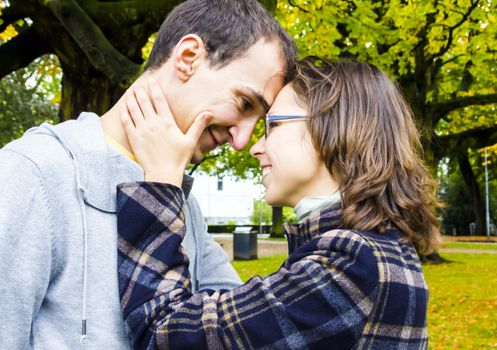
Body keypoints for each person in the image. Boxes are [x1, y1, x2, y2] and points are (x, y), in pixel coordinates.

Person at [0, 0, 297, 348]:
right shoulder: (32, 174)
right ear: (188, 57)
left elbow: (235, 332)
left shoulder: (183, 202)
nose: (241, 141)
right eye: (245, 104)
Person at [116, 57, 442, 349]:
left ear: (330, 128)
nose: (254, 147)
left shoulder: (351, 264)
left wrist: (160, 180)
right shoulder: (378, 250)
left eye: (272, 125)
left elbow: (165, 334)